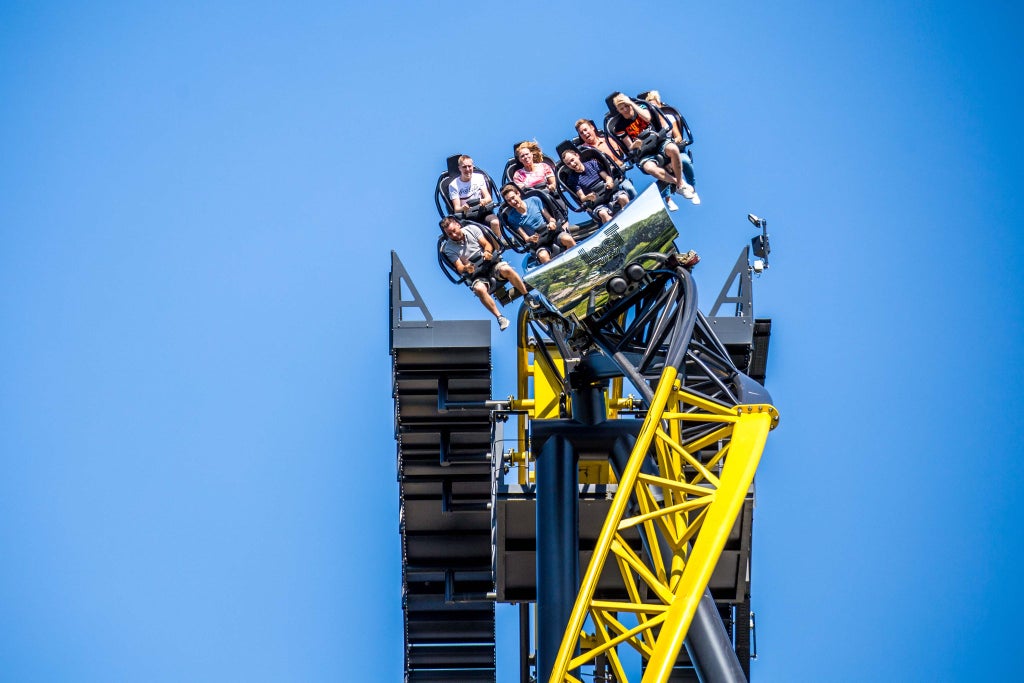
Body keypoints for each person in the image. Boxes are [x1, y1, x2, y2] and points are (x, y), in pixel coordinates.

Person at [608, 92, 699, 206]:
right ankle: (679, 184)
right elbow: (629, 146)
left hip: (659, 143)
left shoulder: (641, 107)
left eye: (626, 106)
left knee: (673, 149)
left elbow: (647, 117)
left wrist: (631, 102)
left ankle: (681, 184)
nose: (625, 110)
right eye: (622, 108)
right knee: (649, 168)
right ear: (618, 110)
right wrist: (635, 145)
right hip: (645, 152)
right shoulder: (619, 126)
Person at [441, 215, 528, 331]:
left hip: (490, 264)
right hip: (477, 274)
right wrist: (466, 268)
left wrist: (487, 252)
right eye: (449, 234)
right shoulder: (448, 248)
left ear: (458, 225)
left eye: (454, 231)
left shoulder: (472, 229)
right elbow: (459, 267)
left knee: (506, 269)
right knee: (479, 289)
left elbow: (487, 244)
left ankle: (527, 295)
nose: (454, 235)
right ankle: (500, 317)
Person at [500, 184, 575, 264]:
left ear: (518, 194)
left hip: (552, 234)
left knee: (567, 239)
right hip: (539, 243)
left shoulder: (534, 200)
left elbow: (550, 218)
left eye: (513, 198)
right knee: (543, 256)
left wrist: (552, 223)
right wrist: (530, 239)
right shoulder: (512, 218)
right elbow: (525, 238)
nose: (512, 202)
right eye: (509, 201)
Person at [559, 148, 629, 224]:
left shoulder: (592, 163)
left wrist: (609, 182)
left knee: (623, 198)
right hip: (597, 203)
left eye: (572, 160)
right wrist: (587, 197)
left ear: (577, 156)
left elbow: (607, 177)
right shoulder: (573, 179)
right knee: (603, 214)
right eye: (568, 164)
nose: (572, 164)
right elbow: (582, 197)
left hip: (610, 192)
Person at [447, 155, 502, 235]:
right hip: (467, 217)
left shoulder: (479, 177)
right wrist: (463, 208)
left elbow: (488, 197)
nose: (467, 169)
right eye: (464, 167)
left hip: (482, 211)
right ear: (459, 168)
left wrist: (484, 201)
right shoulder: (454, 185)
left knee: (495, 222)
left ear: (473, 166)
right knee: (475, 233)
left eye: (469, 166)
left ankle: (498, 246)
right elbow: (457, 209)